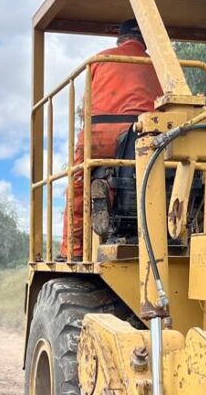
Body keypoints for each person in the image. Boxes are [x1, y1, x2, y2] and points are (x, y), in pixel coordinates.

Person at [63, 18, 163, 261]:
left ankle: (73, 251)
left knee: (78, 183)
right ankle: (159, 239)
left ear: (120, 39)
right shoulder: (159, 65)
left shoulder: (99, 60)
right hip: (138, 136)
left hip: (97, 136)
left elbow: (86, 106)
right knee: (155, 181)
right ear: (144, 42)